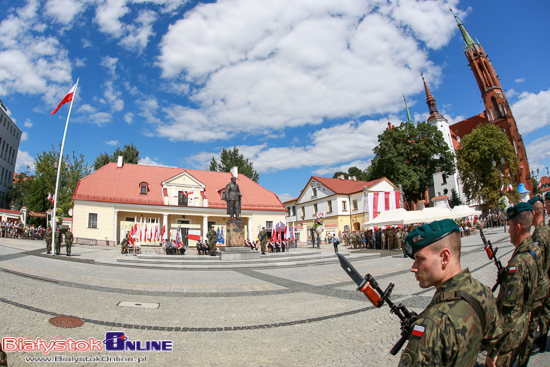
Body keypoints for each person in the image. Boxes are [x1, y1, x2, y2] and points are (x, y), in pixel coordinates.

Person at [400, 219, 502, 366]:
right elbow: (495, 339)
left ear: (445, 257)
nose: (413, 267)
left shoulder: (432, 324)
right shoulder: (483, 291)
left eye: (420, 259)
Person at [486, 202, 539, 367]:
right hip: (525, 326)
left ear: (517, 227)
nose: (508, 230)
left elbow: (509, 313)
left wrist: (494, 351)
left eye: (509, 226)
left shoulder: (518, 263)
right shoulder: (533, 250)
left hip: (510, 338)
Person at [533, 192, 550, 354]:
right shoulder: (547, 228)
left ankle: (540, 341)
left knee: (541, 311)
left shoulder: (540, 233)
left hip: (544, 280)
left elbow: (539, 263)